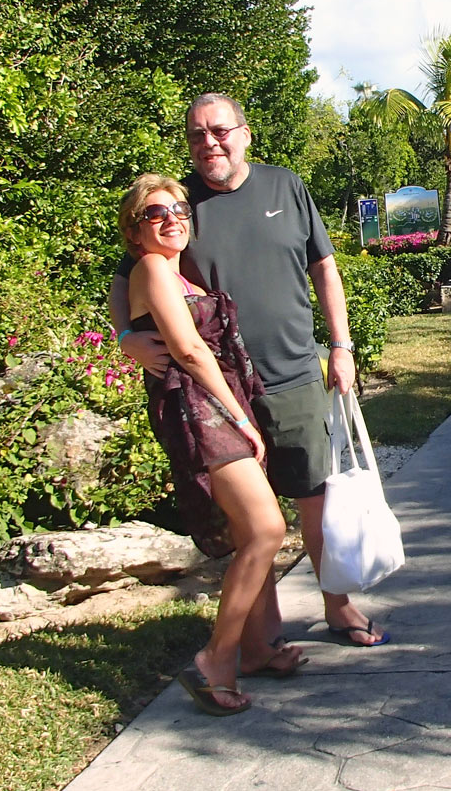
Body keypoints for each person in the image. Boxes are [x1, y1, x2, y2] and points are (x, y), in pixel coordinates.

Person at [111, 94, 389, 648]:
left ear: (245, 133)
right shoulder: (174, 208)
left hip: (292, 374)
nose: (208, 143)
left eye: (219, 131)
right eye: (196, 135)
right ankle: (264, 638)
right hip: (221, 390)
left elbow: (325, 268)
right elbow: (127, 279)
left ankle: (337, 606)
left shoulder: (285, 185)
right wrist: (126, 338)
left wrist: (341, 345)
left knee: (317, 500)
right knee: (254, 525)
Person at [117, 173, 307, 717]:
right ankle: (215, 661)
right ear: (135, 231)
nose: (173, 217)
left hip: (218, 403)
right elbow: (190, 352)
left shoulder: (177, 271)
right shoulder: (153, 267)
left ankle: (253, 648)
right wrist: (239, 418)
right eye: (156, 213)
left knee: (255, 529)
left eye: (178, 207)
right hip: (200, 409)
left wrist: (125, 334)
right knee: (267, 529)